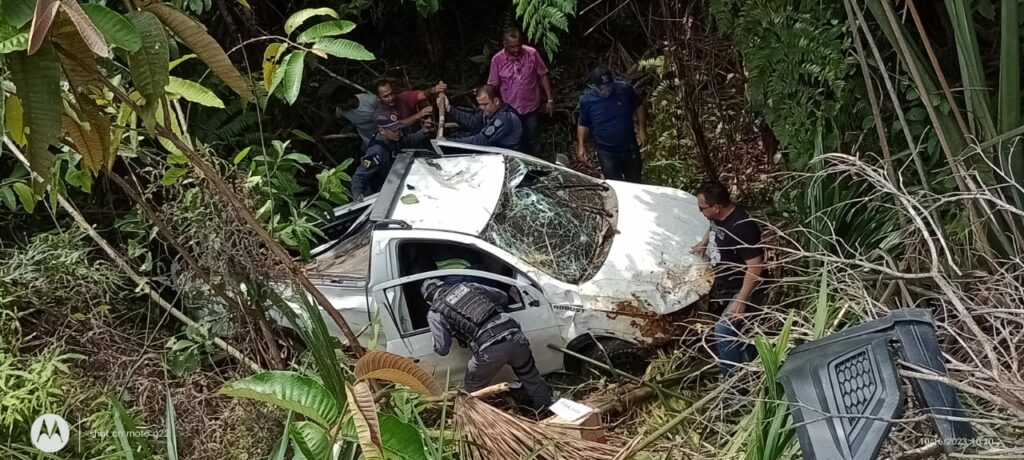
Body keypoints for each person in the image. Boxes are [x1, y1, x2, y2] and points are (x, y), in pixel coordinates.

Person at [421, 278, 553, 410]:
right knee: (530, 376)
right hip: (514, 334)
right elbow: (502, 297)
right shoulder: (468, 286)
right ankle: (545, 410)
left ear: (428, 301)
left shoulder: (435, 312)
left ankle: (484, 420)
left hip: (490, 348)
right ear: (444, 285)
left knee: (472, 390)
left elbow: (442, 349)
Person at [691, 183, 764, 376]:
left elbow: (755, 266)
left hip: (743, 290)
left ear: (716, 207)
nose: (700, 212)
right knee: (743, 336)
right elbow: (713, 226)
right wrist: (704, 242)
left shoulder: (742, 227)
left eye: (702, 208)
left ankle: (734, 388)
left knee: (723, 332)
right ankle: (758, 370)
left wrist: (741, 300)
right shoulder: (718, 216)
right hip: (727, 286)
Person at [487, 28, 555, 161]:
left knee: (533, 138)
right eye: (512, 47)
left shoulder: (532, 54)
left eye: (518, 45)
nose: (516, 50)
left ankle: (537, 165)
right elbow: (493, 86)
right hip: (510, 109)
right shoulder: (497, 60)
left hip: (530, 106)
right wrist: (491, 107)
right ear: (504, 44)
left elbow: (543, 75)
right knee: (514, 141)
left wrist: (550, 99)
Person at [576, 65, 648, 183]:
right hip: (606, 152)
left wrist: (642, 129)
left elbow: (639, 105)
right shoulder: (587, 100)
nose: (606, 90)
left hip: (629, 147)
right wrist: (581, 145)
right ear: (595, 86)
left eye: (609, 86)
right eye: (602, 88)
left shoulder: (624, 89)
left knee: (635, 182)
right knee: (615, 184)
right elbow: (583, 123)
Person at [350, 115, 431, 201]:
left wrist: (423, 132)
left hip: (393, 178)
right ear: (382, 130)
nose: (397, 132)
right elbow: (359, 175)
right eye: (393, 130)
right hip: (377, 191)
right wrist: (357, 193)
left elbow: (409, 140)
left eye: (398, 129)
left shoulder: (394, 138)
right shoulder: (376, 152)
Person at [445, 85, 523, 150]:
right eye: (480, 104)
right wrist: (449, 108)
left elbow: (481, 141)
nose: (482, 107)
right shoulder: (490, 111)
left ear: (496, 101)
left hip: (509, 157)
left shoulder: (504, 118)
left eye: (485, 104)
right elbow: (473, 121)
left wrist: (447, 142)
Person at [373, 79, 446, 135]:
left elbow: (421, 95)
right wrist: (419, 115)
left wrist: (433, 90)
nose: (391, 98)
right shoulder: (380, 115)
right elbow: (398, 125)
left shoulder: (402, 97)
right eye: (386, 96)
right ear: (379, 98)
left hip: (415, 136)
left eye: (391, 93)